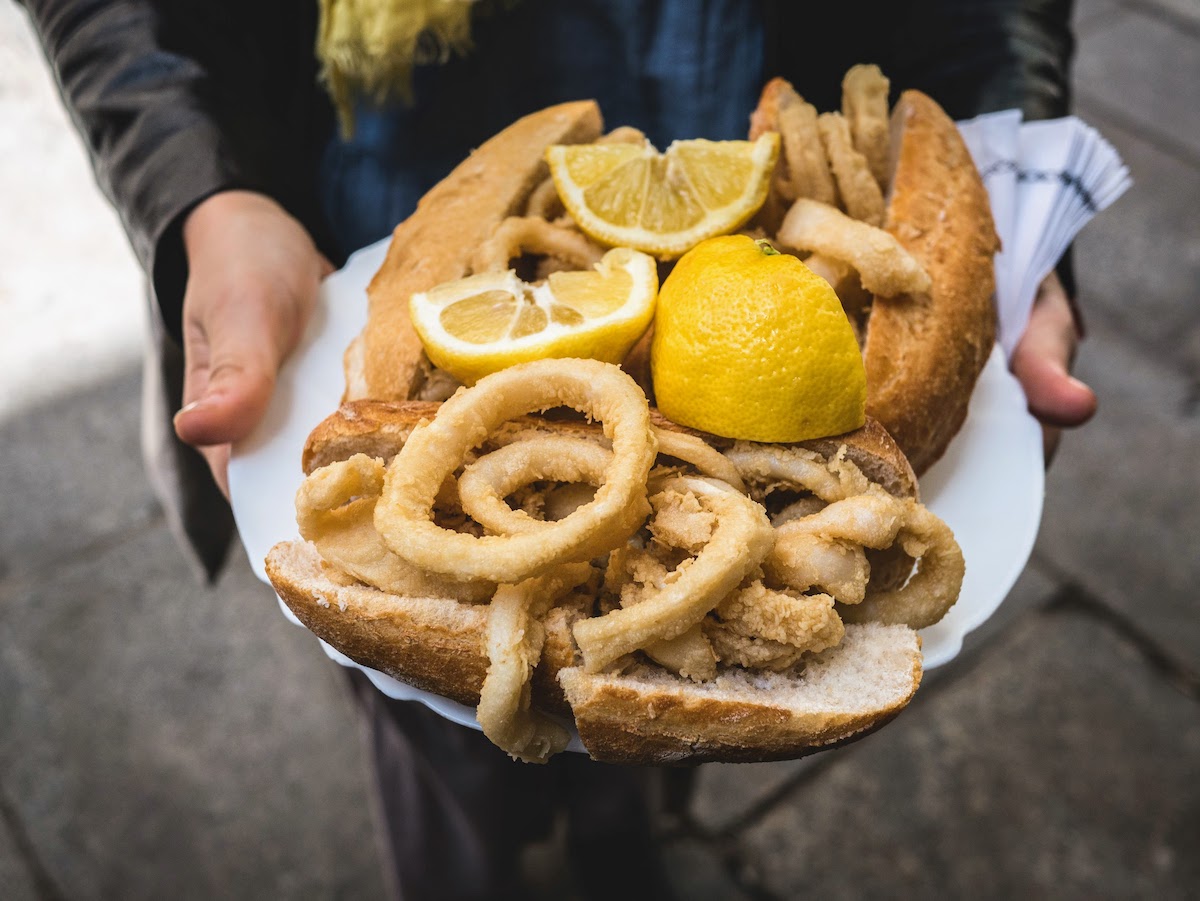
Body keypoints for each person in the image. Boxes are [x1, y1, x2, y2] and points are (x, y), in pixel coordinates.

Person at [20, 1, 1095, 897]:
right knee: (434, 756)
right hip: (371, 202)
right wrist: (203, 190)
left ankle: (626, 831)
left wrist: (1020, 212)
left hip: (747, 250)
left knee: (658, 747)